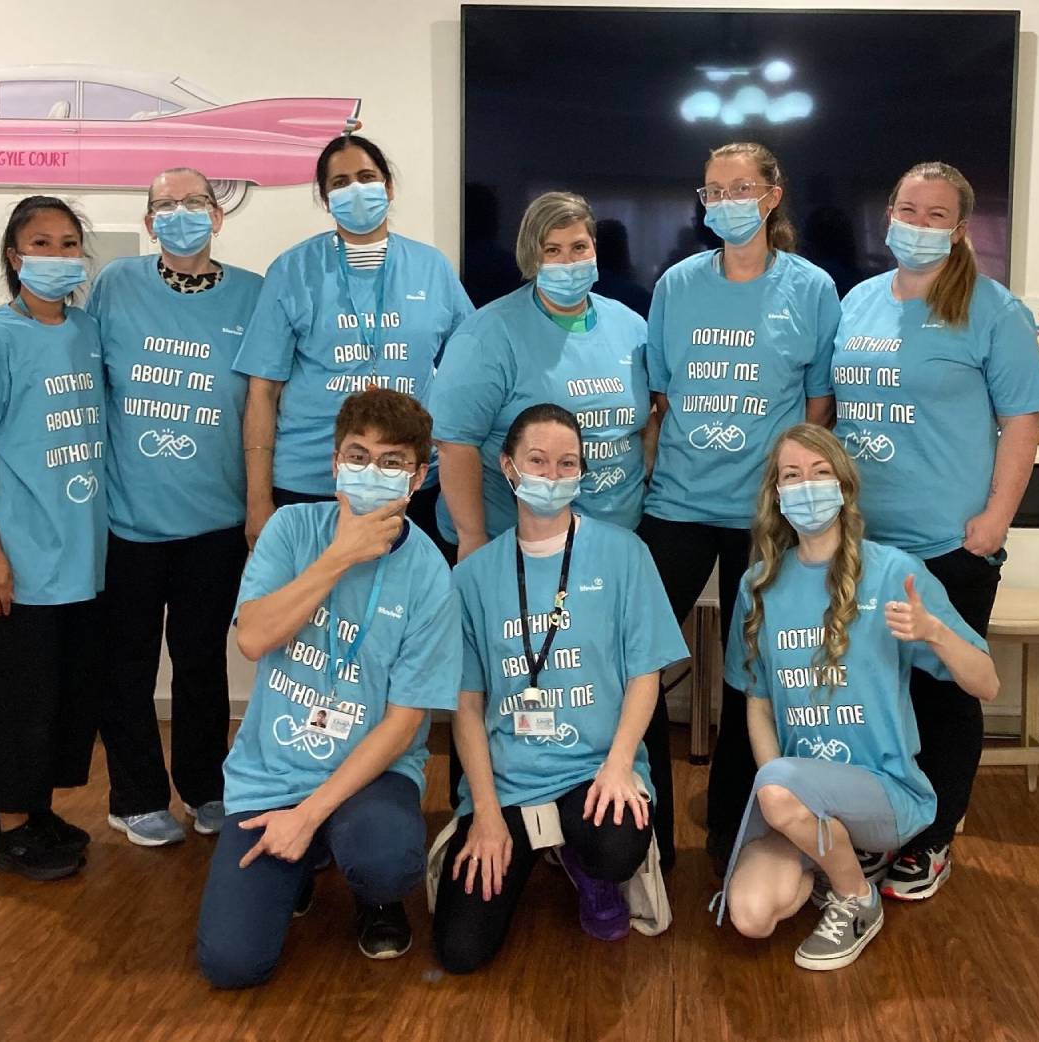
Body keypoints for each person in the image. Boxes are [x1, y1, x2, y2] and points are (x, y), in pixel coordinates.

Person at [830, 161, 1039, 899]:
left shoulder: (993, 311)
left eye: (934, 216)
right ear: (887, 213)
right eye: (906, 210)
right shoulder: (856, 301)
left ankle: (932, 838)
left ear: (959, 231)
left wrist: (993, 522)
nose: (916, 226)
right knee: (866, 692)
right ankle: (874, 827)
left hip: (947, 544)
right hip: (858, 542)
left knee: (944, 694)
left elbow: (1023, 423)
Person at [196, 388, 460, 987]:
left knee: (388, 858)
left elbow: (401, 724)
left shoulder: (429, 575)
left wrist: (308, 813)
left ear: (418, 477)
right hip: (272, 771)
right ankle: (306, 861)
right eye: (358, 455)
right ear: (335, 462)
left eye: (392, 461)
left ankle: (375, 895)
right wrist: (338, 557)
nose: (373, 471)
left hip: (371, 774)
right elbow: (253, 638)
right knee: (231, 965)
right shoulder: (291, 531)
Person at [718, 424, 998, 971]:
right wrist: (781, 791)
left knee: (778, 795)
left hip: (886, 794)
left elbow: (986, 682)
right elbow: (757, 702)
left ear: (845, 488)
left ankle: (857, 899)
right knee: (750, 914)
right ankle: (837, 854)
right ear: (776, 494)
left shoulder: (894, 572)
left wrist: (934, 632)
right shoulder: (759, 585)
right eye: (791, 476)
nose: (806, 486)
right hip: (800, 794)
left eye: (820, 473)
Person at [638, 142, 841, 871]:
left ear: (772, 195)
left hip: (768, 514)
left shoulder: (812, 288)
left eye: (740, 188)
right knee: (638, 658)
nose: (724, 201)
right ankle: (644, 825)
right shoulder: (677, 286)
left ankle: (736, 826)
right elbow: (662, 395)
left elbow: (818, 402)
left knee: (755, 674)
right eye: (712, 190)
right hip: (681, 504)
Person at [432, 404, 687, 974]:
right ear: (508, 466)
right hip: (509, 782)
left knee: (616, 846)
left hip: (593, 769)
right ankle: (527, 846)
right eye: (538, 461)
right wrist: (488, 815)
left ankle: (584, 863)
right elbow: (467, 707)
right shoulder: (472, 577)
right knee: (460, 951)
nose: (552, 475)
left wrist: (621, 766)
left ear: (581, 473)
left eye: (566, 463)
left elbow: (646, 672)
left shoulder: (625, 554)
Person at [87, 169, 263, 846]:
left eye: (193, 203)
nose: (179, 214)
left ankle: (205, 787)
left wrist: (256, 505)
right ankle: (134, 796)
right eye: (165, 205)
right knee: (125, 665)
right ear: (148, 219)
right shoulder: (116, 286)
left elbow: (261, 404)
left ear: (217, 217)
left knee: (200, 662)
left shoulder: (252, 294)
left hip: (214, 522)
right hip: (128, 521)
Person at [0, 196, 107, 880]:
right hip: (17, 559)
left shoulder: (86, 331)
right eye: (42, 243)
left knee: (64, 696)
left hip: (80, 555)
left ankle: (35, 811)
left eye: (70, 244)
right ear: (15, 256)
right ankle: (10, 829)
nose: (59, 256)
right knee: (16, 698)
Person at [232, 133, 472, 552]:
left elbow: (468, 374)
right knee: (312, 610)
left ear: (389, 187)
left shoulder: (431, 268)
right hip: (312, 481)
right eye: (340, 183)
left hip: (411, 480)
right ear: (325, 199)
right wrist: (257, 501)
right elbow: (262, 391)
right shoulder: (292, 271)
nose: (355, 190)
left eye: (366, 177)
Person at [431, 191, 653, 566]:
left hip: (615, 540)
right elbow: (456, 443)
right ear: (532, 256)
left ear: (594, 248)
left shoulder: (631, 326)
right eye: (552, 250)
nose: (568, 262)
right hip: (512, 543)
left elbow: (648, 424)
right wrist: (473, 540)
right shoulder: (487, 335)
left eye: (579, 247)